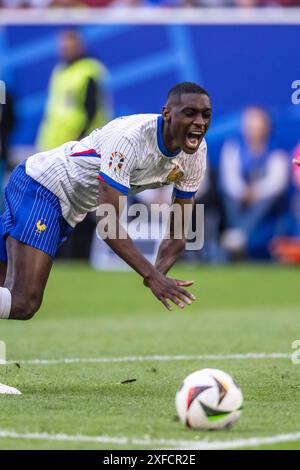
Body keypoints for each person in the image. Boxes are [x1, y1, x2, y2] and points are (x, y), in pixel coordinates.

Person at [0, 82, 212, 320]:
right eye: (190, 113)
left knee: (7, 294)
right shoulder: (130, 139)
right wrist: (152, 276)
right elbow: (108, 225)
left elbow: (178, 233)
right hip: (43, 186)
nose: (200, 123)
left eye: (206, 115)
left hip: (67, 210)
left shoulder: (196, 154)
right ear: (167, 114)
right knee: (23, 302)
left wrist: (158, 273)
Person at [220, 106, 289, 259]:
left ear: (267, 128)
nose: (254, 131)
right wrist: (243, 191)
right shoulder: (234, 145)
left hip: (265, 198)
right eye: (251, 126)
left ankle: (239, 235)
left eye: (258, 127)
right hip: (238, 198)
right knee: (228, 195)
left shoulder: (277, 147)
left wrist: (256, 192)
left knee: (267, 199)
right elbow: (229, 178)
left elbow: (277, 183)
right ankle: (238, 235)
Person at [36, 29, 111, 151]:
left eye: (69, 46)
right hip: (54, 140)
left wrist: (82, 138)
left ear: (80, 47)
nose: (65, 49)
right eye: (63, 46)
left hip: (78, 141)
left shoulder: (89, 70)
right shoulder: (60, 70)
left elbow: (93, 109)